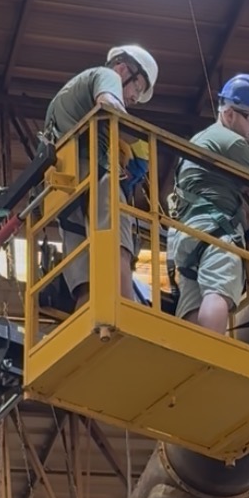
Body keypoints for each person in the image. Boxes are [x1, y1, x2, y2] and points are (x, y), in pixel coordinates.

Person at [42, 44, 158, 306]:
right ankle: (124, 308)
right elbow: (109, 105)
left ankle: (89, 314)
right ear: (122, 68)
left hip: (64, 188)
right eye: (137, 88)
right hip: (96, 176)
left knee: (80, 259)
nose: (135, 98)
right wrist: (142, 145)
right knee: (116, 240)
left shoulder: (65, 96)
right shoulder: (106, 76)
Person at [170, 74, 249, 335]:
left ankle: (192, 365)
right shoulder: (232, 141)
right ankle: (211, 358)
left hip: (185, 235)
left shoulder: (200, 139)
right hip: (215, 230)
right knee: (219, 291)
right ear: (229, 114)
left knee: (193, 304)